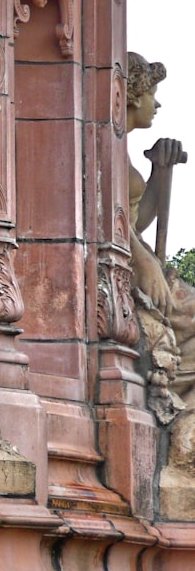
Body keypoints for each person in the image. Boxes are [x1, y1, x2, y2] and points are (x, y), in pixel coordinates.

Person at [126, 52, 189, 418]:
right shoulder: (99, 139)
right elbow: (111, 221)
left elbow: (135, 218)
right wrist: (144, 261)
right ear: (133, 94)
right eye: (152, 91)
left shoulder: (116, 144)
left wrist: (159, 170)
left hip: (140, 259)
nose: (158, 102)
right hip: (131, 267)